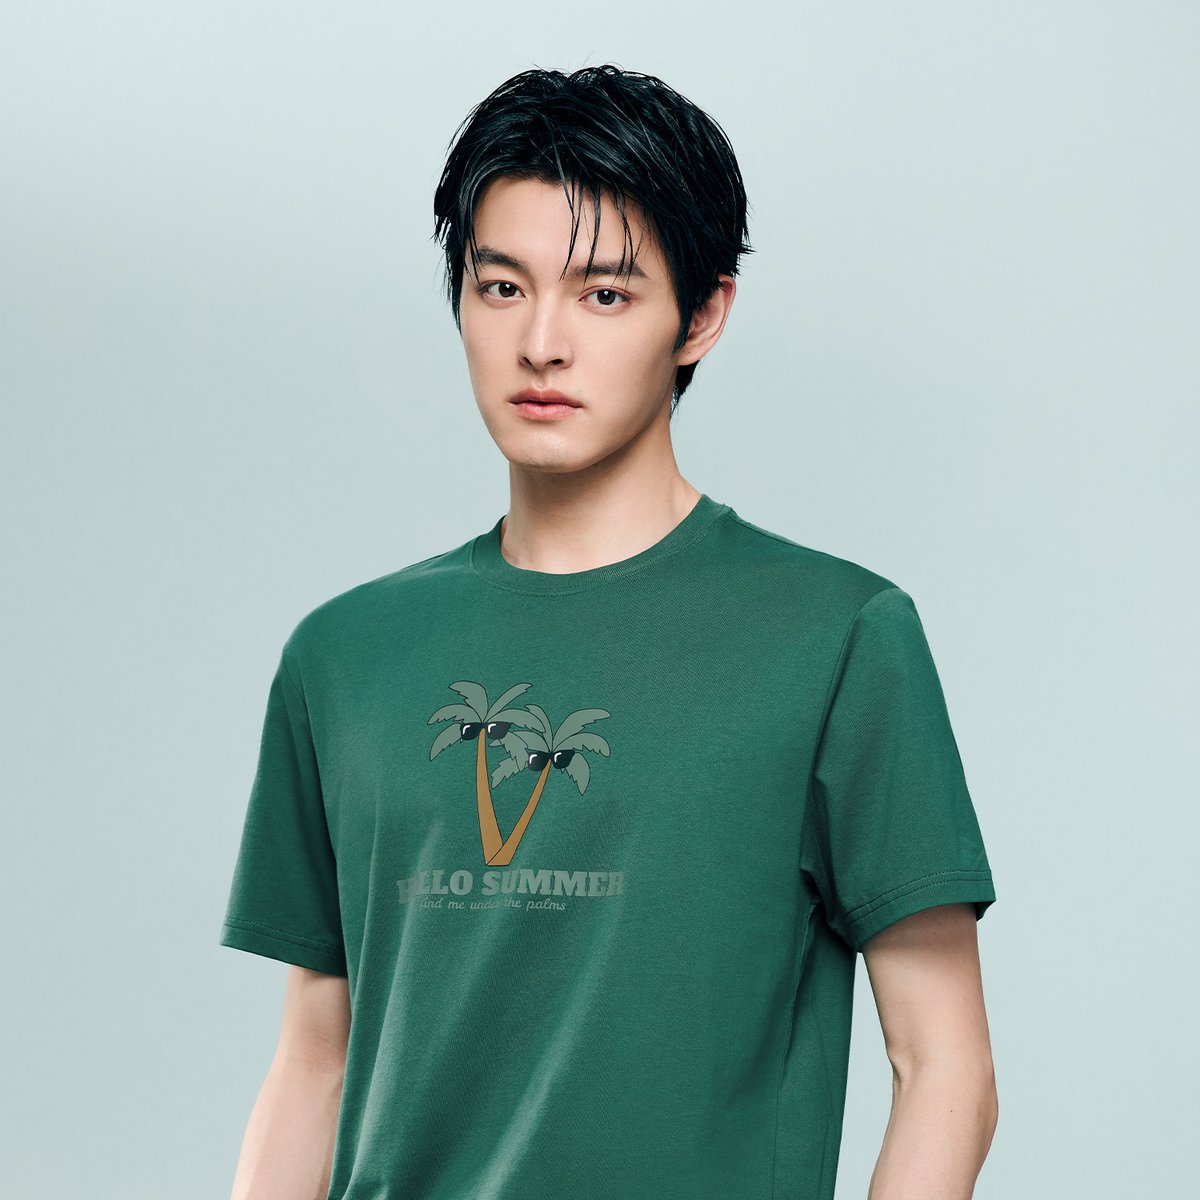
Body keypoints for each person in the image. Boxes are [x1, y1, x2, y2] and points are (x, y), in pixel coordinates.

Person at [219, 64, 998, 1200]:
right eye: (500, 287)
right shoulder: (342, 656)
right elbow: (315, 1063)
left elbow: (945, 1069)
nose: (541, 342)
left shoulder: (840, 637)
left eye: (604, 296)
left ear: (703, 315)